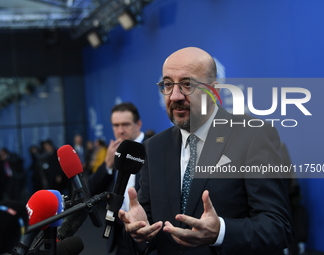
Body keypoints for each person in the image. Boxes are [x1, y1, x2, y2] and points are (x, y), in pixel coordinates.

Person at [118, 47, 293, 255]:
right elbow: (148, 229)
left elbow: (277, 227)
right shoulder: (153, 147)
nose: (174, 96)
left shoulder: (253, 136)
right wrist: (140, 233)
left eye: (187, 84)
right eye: (167, 84)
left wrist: (221, 232)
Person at [88, 102, 146, 255]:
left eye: (125, 124)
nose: (120, 130)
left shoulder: (152, 149)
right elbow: (90, 191)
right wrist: (107, 165)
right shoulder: (114, 152)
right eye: (116, 125)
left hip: (148, 233)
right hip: (120, 233)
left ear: (138, 124)